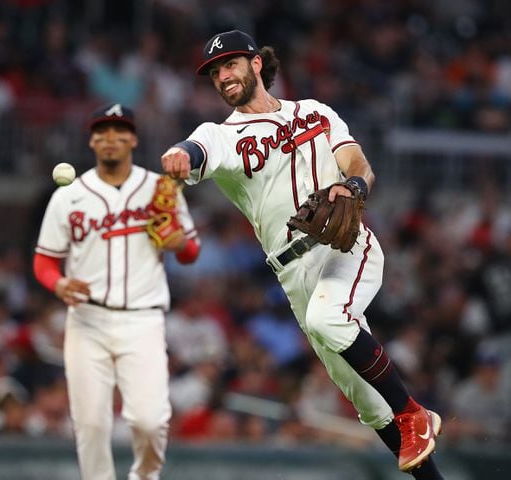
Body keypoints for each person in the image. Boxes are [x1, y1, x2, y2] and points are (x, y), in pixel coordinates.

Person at [160, 30, 444, 478]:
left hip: (344, 246)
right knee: (370, 407)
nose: (222, 75)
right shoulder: (223, 135)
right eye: (215, 71)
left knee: (328, 320)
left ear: (256, 64)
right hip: (294, 275)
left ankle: (414, 414)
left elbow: (359, 165)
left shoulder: (314, 112)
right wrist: (180, 154)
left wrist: (352, 186)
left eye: (230, 64)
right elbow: (197, 149)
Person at [33, 103, 200, 480]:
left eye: (119, 131)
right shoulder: (69, 196)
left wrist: (178, 244)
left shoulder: (161, 188)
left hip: (142, 319)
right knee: (90, 425)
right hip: (87, 320)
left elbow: (191, 251)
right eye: (103, 132)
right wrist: (58, 284)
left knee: (149, 421)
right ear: (92, 140)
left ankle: (144, 475)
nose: (111, 138)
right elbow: (44, 261)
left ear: (133, 138)